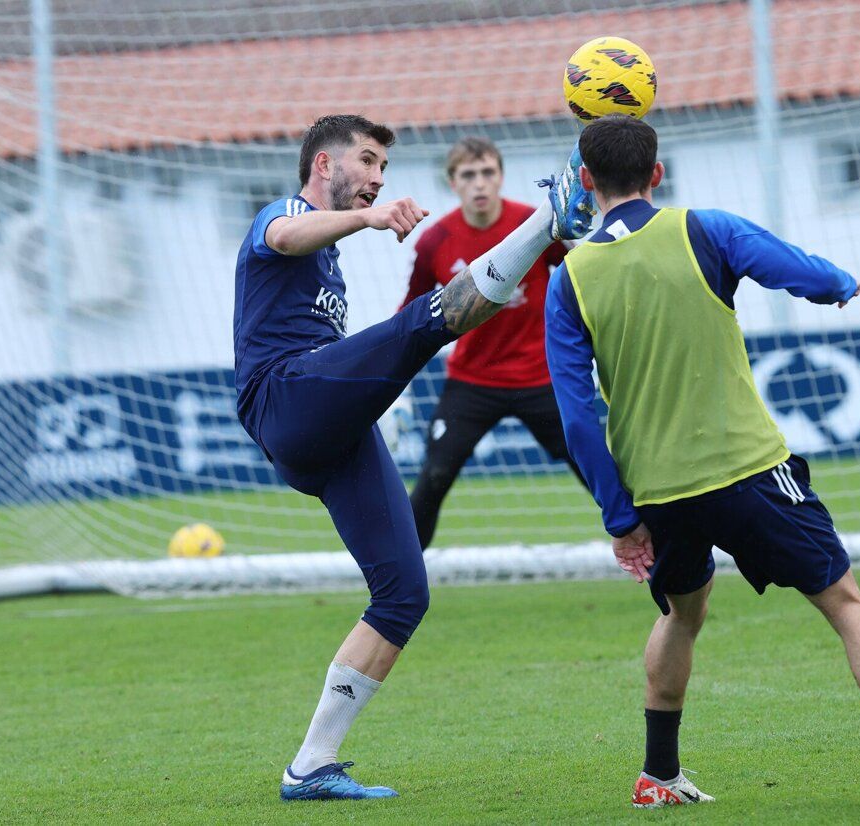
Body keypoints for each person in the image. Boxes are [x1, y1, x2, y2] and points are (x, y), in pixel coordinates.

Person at [543, 115, 860, 808]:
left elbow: (575, 416)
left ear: (585, 181)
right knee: (845, 602)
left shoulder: (571, 279)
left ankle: (658, 776)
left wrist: (621, 517)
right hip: (748, 471)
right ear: (657, 174)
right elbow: (803, 273)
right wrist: (839, 283)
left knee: (683, 614)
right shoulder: (704, 229)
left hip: (660, 490)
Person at [234, 114, 593, 801]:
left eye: (383, 169)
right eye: (367, 161)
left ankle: (311, 764)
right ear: (322, 166)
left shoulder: (330, 254)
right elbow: (283, 234)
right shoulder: (285, 213)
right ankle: (553, 215)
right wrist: (367, 222)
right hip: (284, 399)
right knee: (422, 324)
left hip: (330, 433)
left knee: (403, 595)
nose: (377, 178)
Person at [400, 136, 585, 549]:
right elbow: (409, 315)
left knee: (597, 470)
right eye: (469, 175)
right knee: (433, 476)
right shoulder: (435, 241)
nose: (479, 183)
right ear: (453, 182)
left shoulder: (537, 224)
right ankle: (400, 582)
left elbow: (581, 282)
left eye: (487, 173)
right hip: (472, 381)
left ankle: (659, 558)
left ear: (500, 176)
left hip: (541, 377)